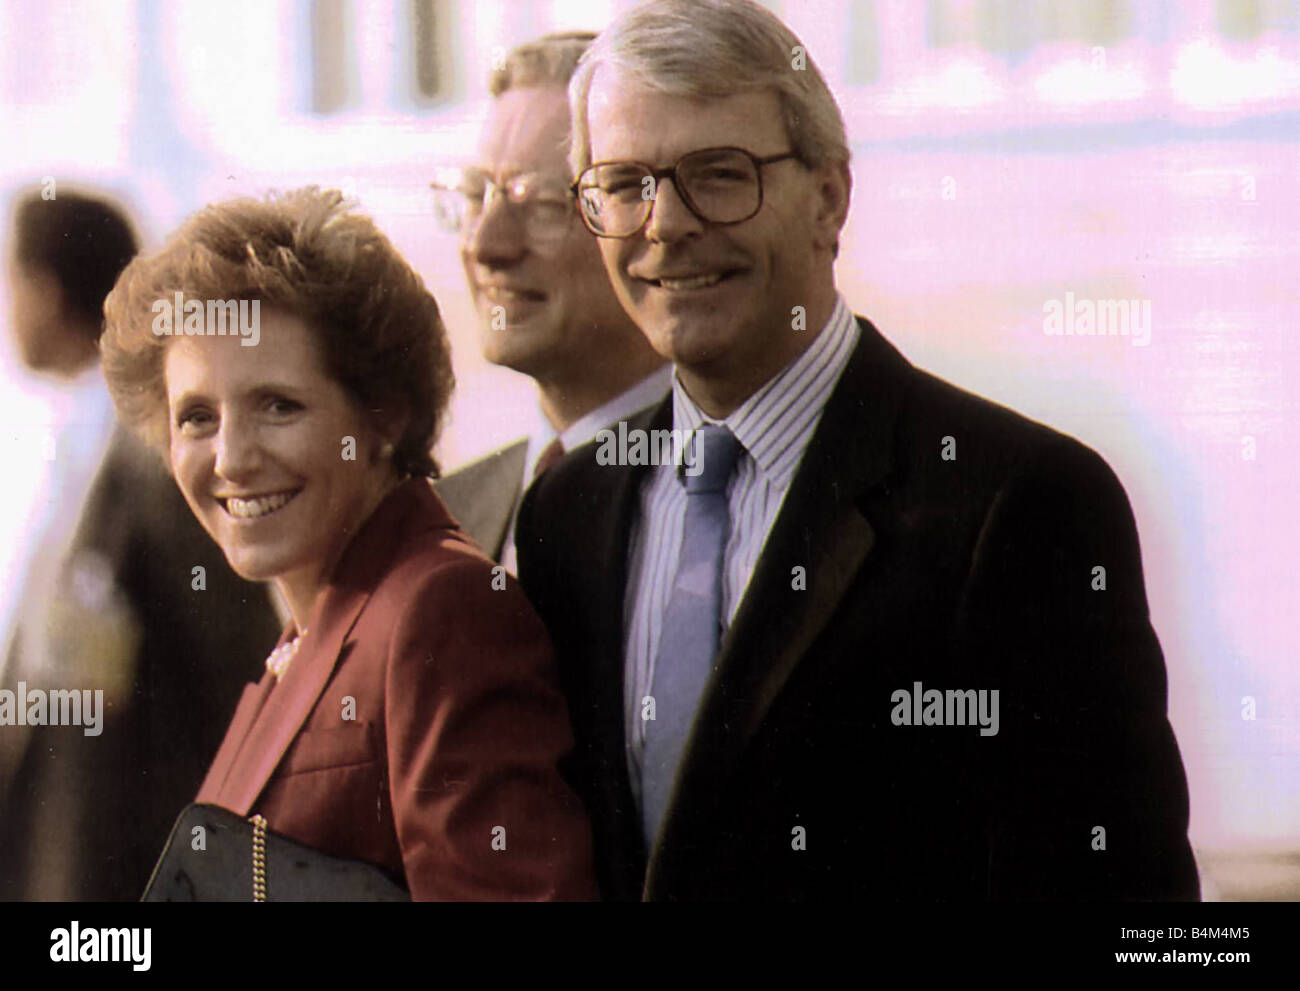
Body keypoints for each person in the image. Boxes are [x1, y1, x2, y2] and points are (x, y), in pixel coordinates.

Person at [517, 0, 1199, 900]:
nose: (667, 223)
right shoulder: (568, 513)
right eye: (624, 183)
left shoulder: (1018, 503)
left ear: (830, 196)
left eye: (719, 174)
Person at [100, 186, 597, 900]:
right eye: (198, 417)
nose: (232, 457)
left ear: (384, 414)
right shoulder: (314, 623)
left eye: (278, 405)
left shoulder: (438, 607)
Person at [0, 188, 281, 901]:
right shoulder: (77, 440)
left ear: (46, 287)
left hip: (139, 875)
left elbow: (232, 668)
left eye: (13, 281)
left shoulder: (158, 458)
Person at [432, 32, 669, 570]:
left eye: (538, 203)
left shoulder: (722, 494)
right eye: (474, 196)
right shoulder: (447, 518)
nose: (484, 246)